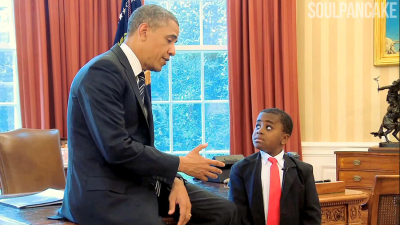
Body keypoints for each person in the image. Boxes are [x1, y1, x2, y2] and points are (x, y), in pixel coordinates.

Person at [57, 5, 237, 225]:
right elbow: (117, 149)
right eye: (169, 40)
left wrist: (174, 177)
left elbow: (141, 145)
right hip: (106, 194)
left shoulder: (137, 76)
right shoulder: (103, 72)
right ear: (144, 31)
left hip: (140, 182)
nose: (173, 51)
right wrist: (179, 164)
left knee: (225, 211)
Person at [228, 108, 321, 225]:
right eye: (258, 126)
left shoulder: (303, 170)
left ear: (284, 138)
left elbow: (312, 214)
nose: (259, 131)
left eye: (268, 127)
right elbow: (238, 213)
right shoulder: (241, 169)